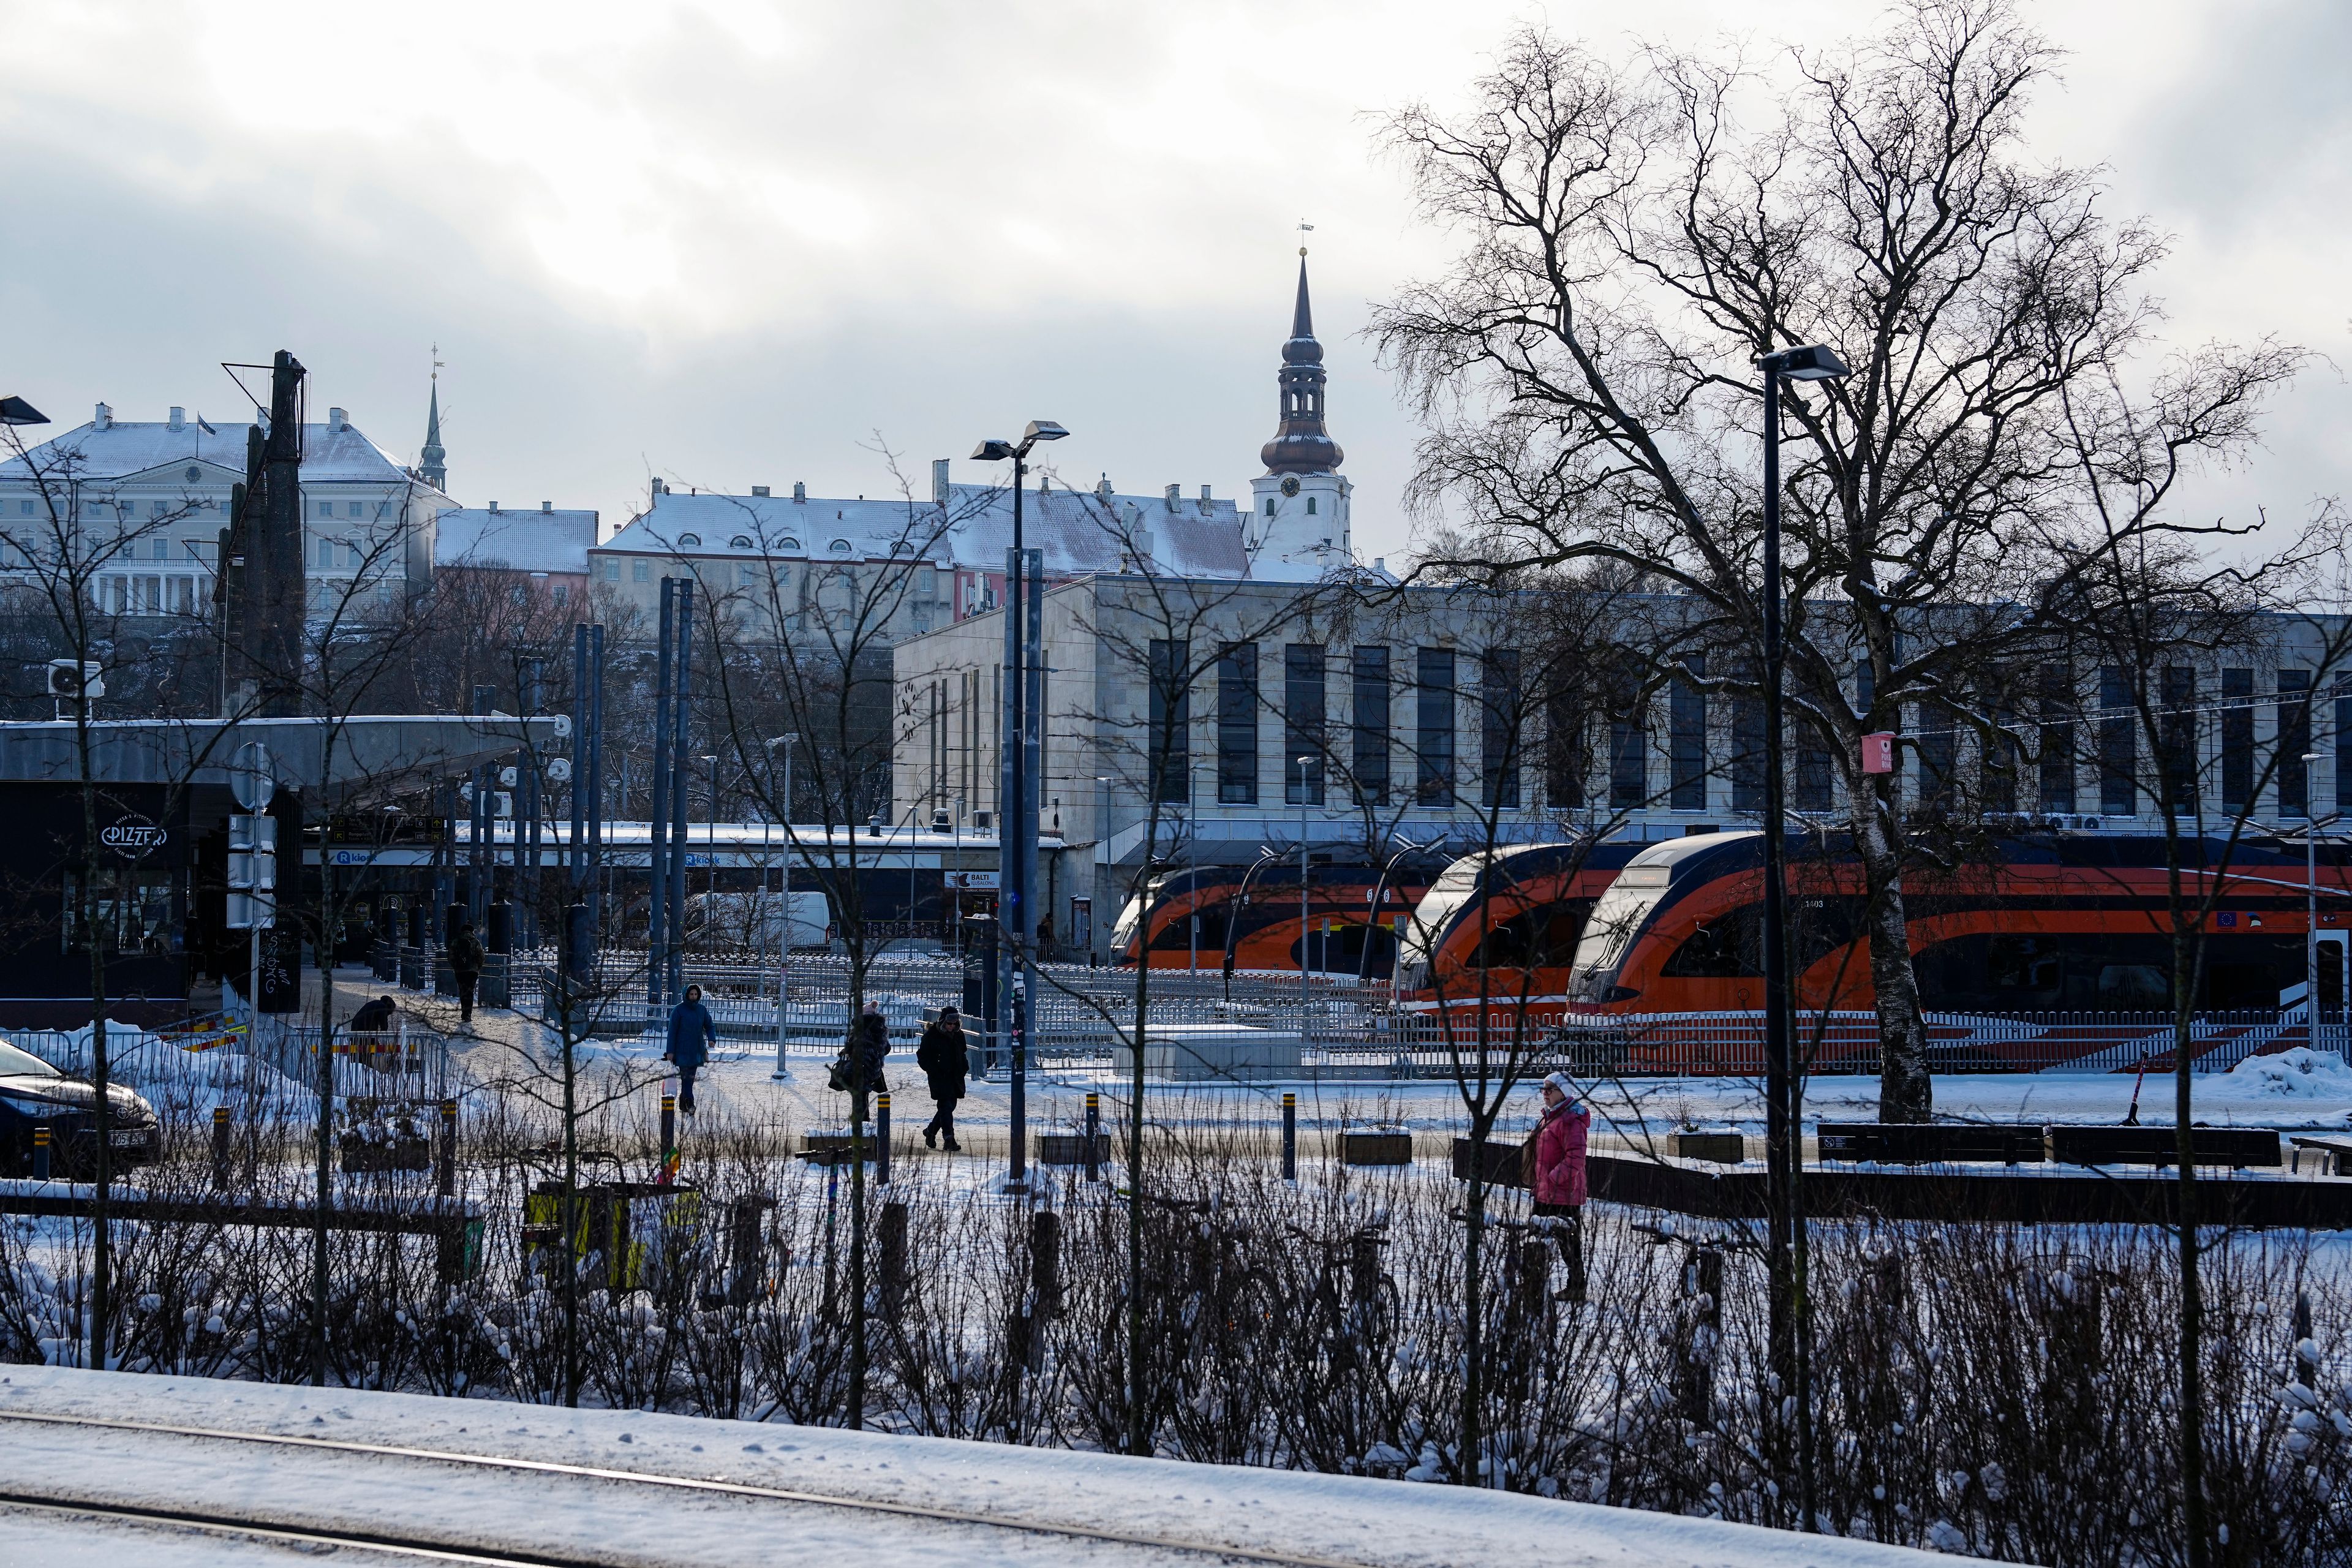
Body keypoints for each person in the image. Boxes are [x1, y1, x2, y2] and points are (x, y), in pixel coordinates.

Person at [1527, 1071, 1591, 1302]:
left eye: (1549, 1089)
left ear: (1563, 1093)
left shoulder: (1570, 1120)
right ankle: (1532, 1284)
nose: (1544, 1094)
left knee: (1569, 1245)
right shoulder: (1550, 1117)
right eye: (1543, 1089)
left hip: (1564, 1194)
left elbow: (1575, 1158)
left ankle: (1576, 1287)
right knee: (1534, 1238)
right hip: (1545, 1191)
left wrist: (1552, 1179)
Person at [916, 1005, 968, 1151]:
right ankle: (949, 1139)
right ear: (943, 1021)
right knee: (946, 1107)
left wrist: (964, 1067)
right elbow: (922, 1056)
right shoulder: (932, 1034)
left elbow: (962, 1052)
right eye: (949, 1024)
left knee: (949, 1107)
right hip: (939, 1076)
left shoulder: (959, 1034)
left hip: (955, 1075)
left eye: (954, 1024)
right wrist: (933, 1070)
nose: (952, 1026)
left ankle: (931, 1131)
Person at [832, 1002, 891, 1123]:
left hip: (859, 1067)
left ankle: (861, 1121)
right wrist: (875, 1054)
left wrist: (844, 1052)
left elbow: (850, 1047)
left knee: (858, 1094)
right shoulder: (881, 1029)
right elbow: (887, 1049)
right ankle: (861, 1119)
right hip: (874, 1069)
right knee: (863, 1093)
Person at [665, 983, 717, 1114]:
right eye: (691, 994)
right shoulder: (678, 1010)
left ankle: (684, 1104)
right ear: (686, 995)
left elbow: (709, 1025)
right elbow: (672, 1032)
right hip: (681, 1050)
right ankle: (690, 1103)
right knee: (687, 1078)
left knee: (689, 1078)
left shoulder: (702, 1010)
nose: (694, 997)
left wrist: (712, 1039)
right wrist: (670, 1051)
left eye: (696, 994)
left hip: (696, 1050)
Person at [447, 918, 484, 1028]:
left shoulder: (456, 941)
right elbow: (482, 957)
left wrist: (456, 966)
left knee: (463, 991)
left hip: (460, 971)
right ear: (472, 931)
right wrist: (477, 967)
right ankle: (468, 1014)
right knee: (470, 991)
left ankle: (464, 1013)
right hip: (472, 972)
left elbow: (450, 956)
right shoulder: (476, 941)